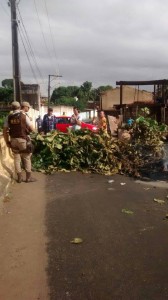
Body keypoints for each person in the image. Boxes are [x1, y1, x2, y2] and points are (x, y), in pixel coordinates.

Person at [3, 101, 36, 183]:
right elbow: (32, 129)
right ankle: (28, 178)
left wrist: (7, 141)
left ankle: (19, 178)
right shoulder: (24, 116)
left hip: (13, 140)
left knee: (17, 159)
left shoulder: (9, 117)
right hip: (22, 140)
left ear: (12, 108)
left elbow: (4, 130)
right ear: (19, 107)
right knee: (26, 157)